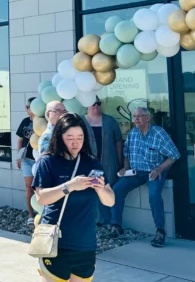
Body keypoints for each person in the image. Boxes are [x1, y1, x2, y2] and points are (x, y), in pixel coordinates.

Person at [33, 113, 115, 282]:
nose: (75, 142)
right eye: (69, 137)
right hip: (56, 243)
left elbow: (110, 200)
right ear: (59, 136)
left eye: (80, 137)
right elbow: (41, 198)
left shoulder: (91, 162)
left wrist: (100, 189)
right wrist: (69, 186)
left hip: (85, 243)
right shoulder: (47, 162)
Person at [109, 107, 180, 248]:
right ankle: (116, 225)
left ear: (148, 118)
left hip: (154, 171)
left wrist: (160, 168)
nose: (136, 119)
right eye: (134, 116)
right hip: (135, 172)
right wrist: (125, 167)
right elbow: (126, 153)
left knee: (154, 195)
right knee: (116, 189)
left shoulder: (158, 133)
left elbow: (174, 155)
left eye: (139, 116)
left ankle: (160, 231)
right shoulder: (132, 133)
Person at [85, 96, 123, 226]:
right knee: (92, 188)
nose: (96, 105)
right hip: (89, 163)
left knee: (107, 188)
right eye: (92, 103)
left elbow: (118, 140)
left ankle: (109, 220)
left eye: (98, 103)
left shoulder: (109, 121)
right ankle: (95, 219)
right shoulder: (80, 121)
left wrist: (120, 160)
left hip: (108, 162)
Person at [17, 97, 40, 225]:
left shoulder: (43, 121)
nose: (27, 109)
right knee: (28, 187)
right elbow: (20, 140)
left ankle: (41, 212)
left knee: (40, 187)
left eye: (29, 107)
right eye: (26, 107)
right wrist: (18, 157)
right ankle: (31, 215)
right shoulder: (25, 122)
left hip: (39, 160)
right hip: (27, 159)